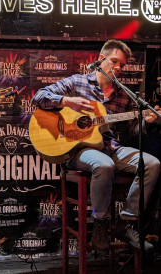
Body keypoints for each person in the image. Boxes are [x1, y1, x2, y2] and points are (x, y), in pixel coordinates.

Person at [31, 39, 160, 251]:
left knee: (152, 164)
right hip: (77, 150)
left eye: (123, 65)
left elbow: (129, 134)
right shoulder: (77, 82)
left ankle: (126, 222)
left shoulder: (125, 95)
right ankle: (101, 222)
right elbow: (38, 97)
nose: (118, 68)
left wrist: (146, 122)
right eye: (115, 62)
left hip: (110, 146)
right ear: (101, 60)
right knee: (104, 164)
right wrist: (66, 101)